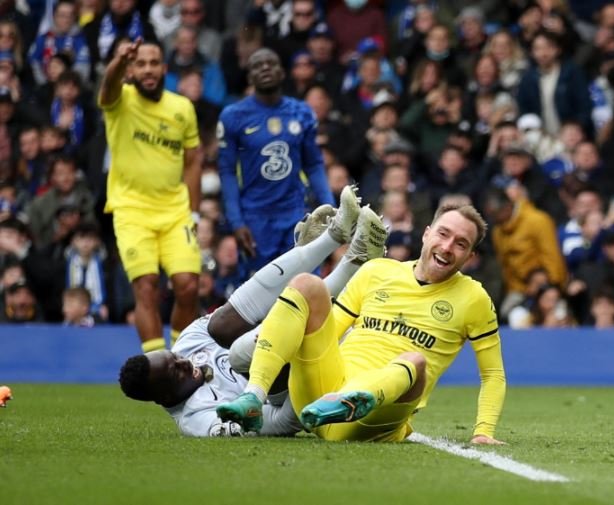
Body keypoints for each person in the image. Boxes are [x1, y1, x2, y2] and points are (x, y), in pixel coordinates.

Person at [217, 203, 506, 445]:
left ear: (470, 257)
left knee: (415, 362)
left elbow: (492, 374)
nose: (447, 247)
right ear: (426, 234)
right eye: (443, 234)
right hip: (320, 394)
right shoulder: (376, 270)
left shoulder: (474, 298)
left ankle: (353, 400)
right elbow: (330, 329)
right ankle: (253, 395)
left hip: (379, 418)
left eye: (460, 244)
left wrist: (484, 431)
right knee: (307, 284)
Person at [119, 185, 389, 437]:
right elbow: (278, 423)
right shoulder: (197, 418)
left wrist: (275, 332)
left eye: (174, 357)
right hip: (301, 392)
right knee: (240, 354)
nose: (184, 362)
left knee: (224, 327)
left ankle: (334, 237)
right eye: (175, 371)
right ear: (164, 398)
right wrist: (277, 349)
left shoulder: (187, 346)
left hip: (299, 332)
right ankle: (350, 261)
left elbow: (247, 306)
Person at [98, 38, 202, 353]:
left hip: (175, 212)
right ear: (131, 69)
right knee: (146, 288)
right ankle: (159, 369)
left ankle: (181, 357)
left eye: (154, 63)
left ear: (164, 69)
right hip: (132, 211)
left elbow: (194, 159)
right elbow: (107, 87)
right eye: (140, 63)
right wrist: (117, 61)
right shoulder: (120, 100)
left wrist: (194, 213)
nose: (147, 69)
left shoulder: (182, 107)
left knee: (188, 286)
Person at [218, 47, 335, 274]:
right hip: (255, 219)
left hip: (295, 214)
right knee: (257, 299)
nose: (265, 69)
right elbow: (227, 171)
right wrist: (237, 222)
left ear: (282, 72)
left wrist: (329, 206)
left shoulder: (302, 113)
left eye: (270, 63)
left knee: (304, 287)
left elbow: (314, 164)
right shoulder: (233, 116)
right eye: (257, 66)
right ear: (249, 76)